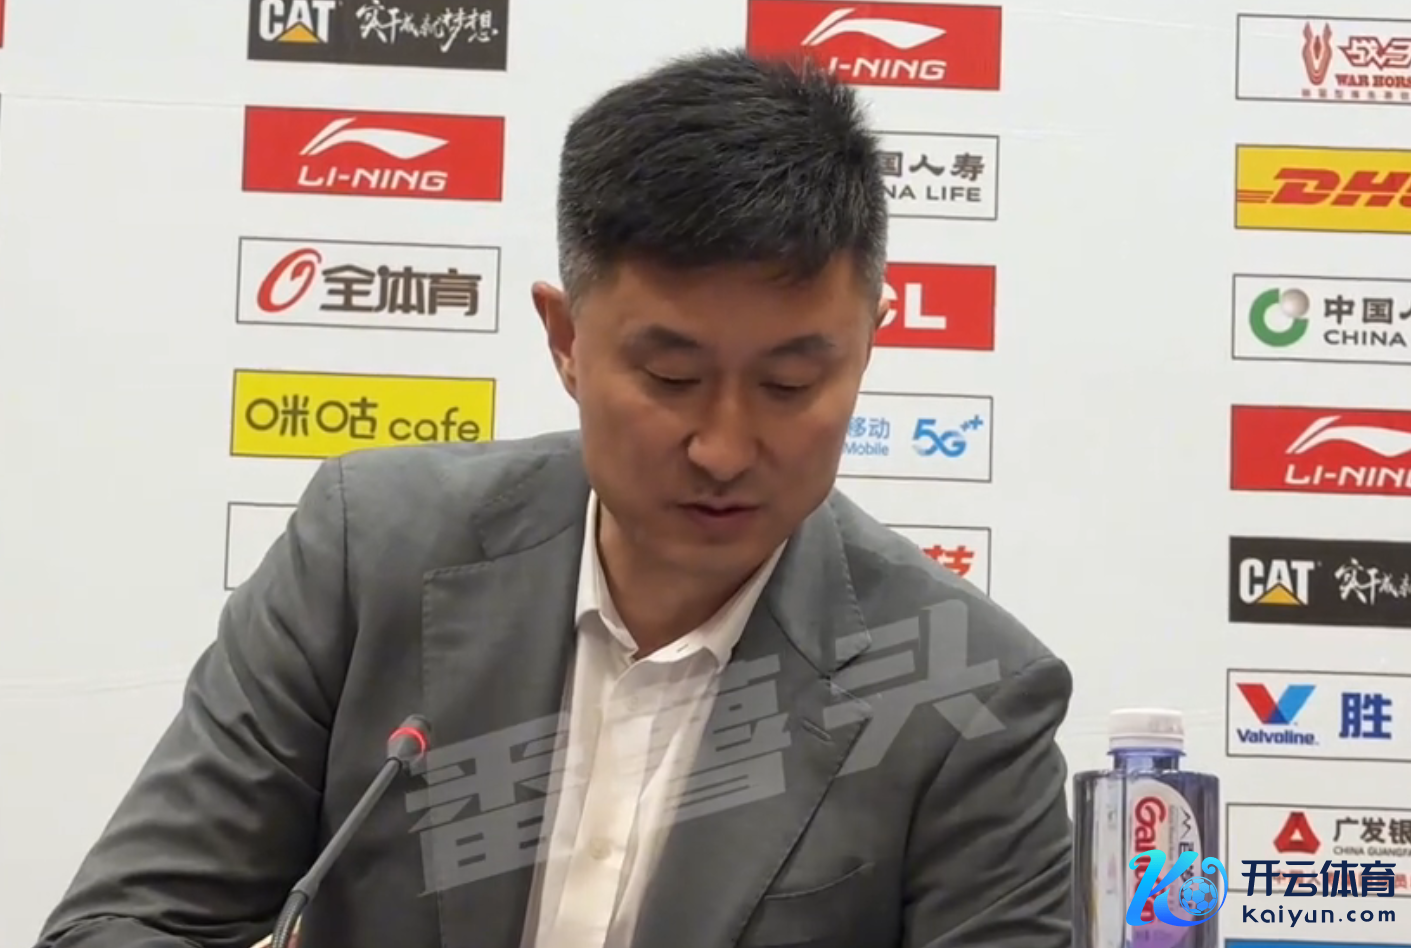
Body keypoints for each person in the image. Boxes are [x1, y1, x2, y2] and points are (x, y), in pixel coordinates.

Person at [32, 47, 1073, 948]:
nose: (723, 448)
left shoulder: (966, 693)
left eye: (791, 385)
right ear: (565, 338)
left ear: (867, 346)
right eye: (670, 377)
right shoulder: (369, 555)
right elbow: (122, 923)